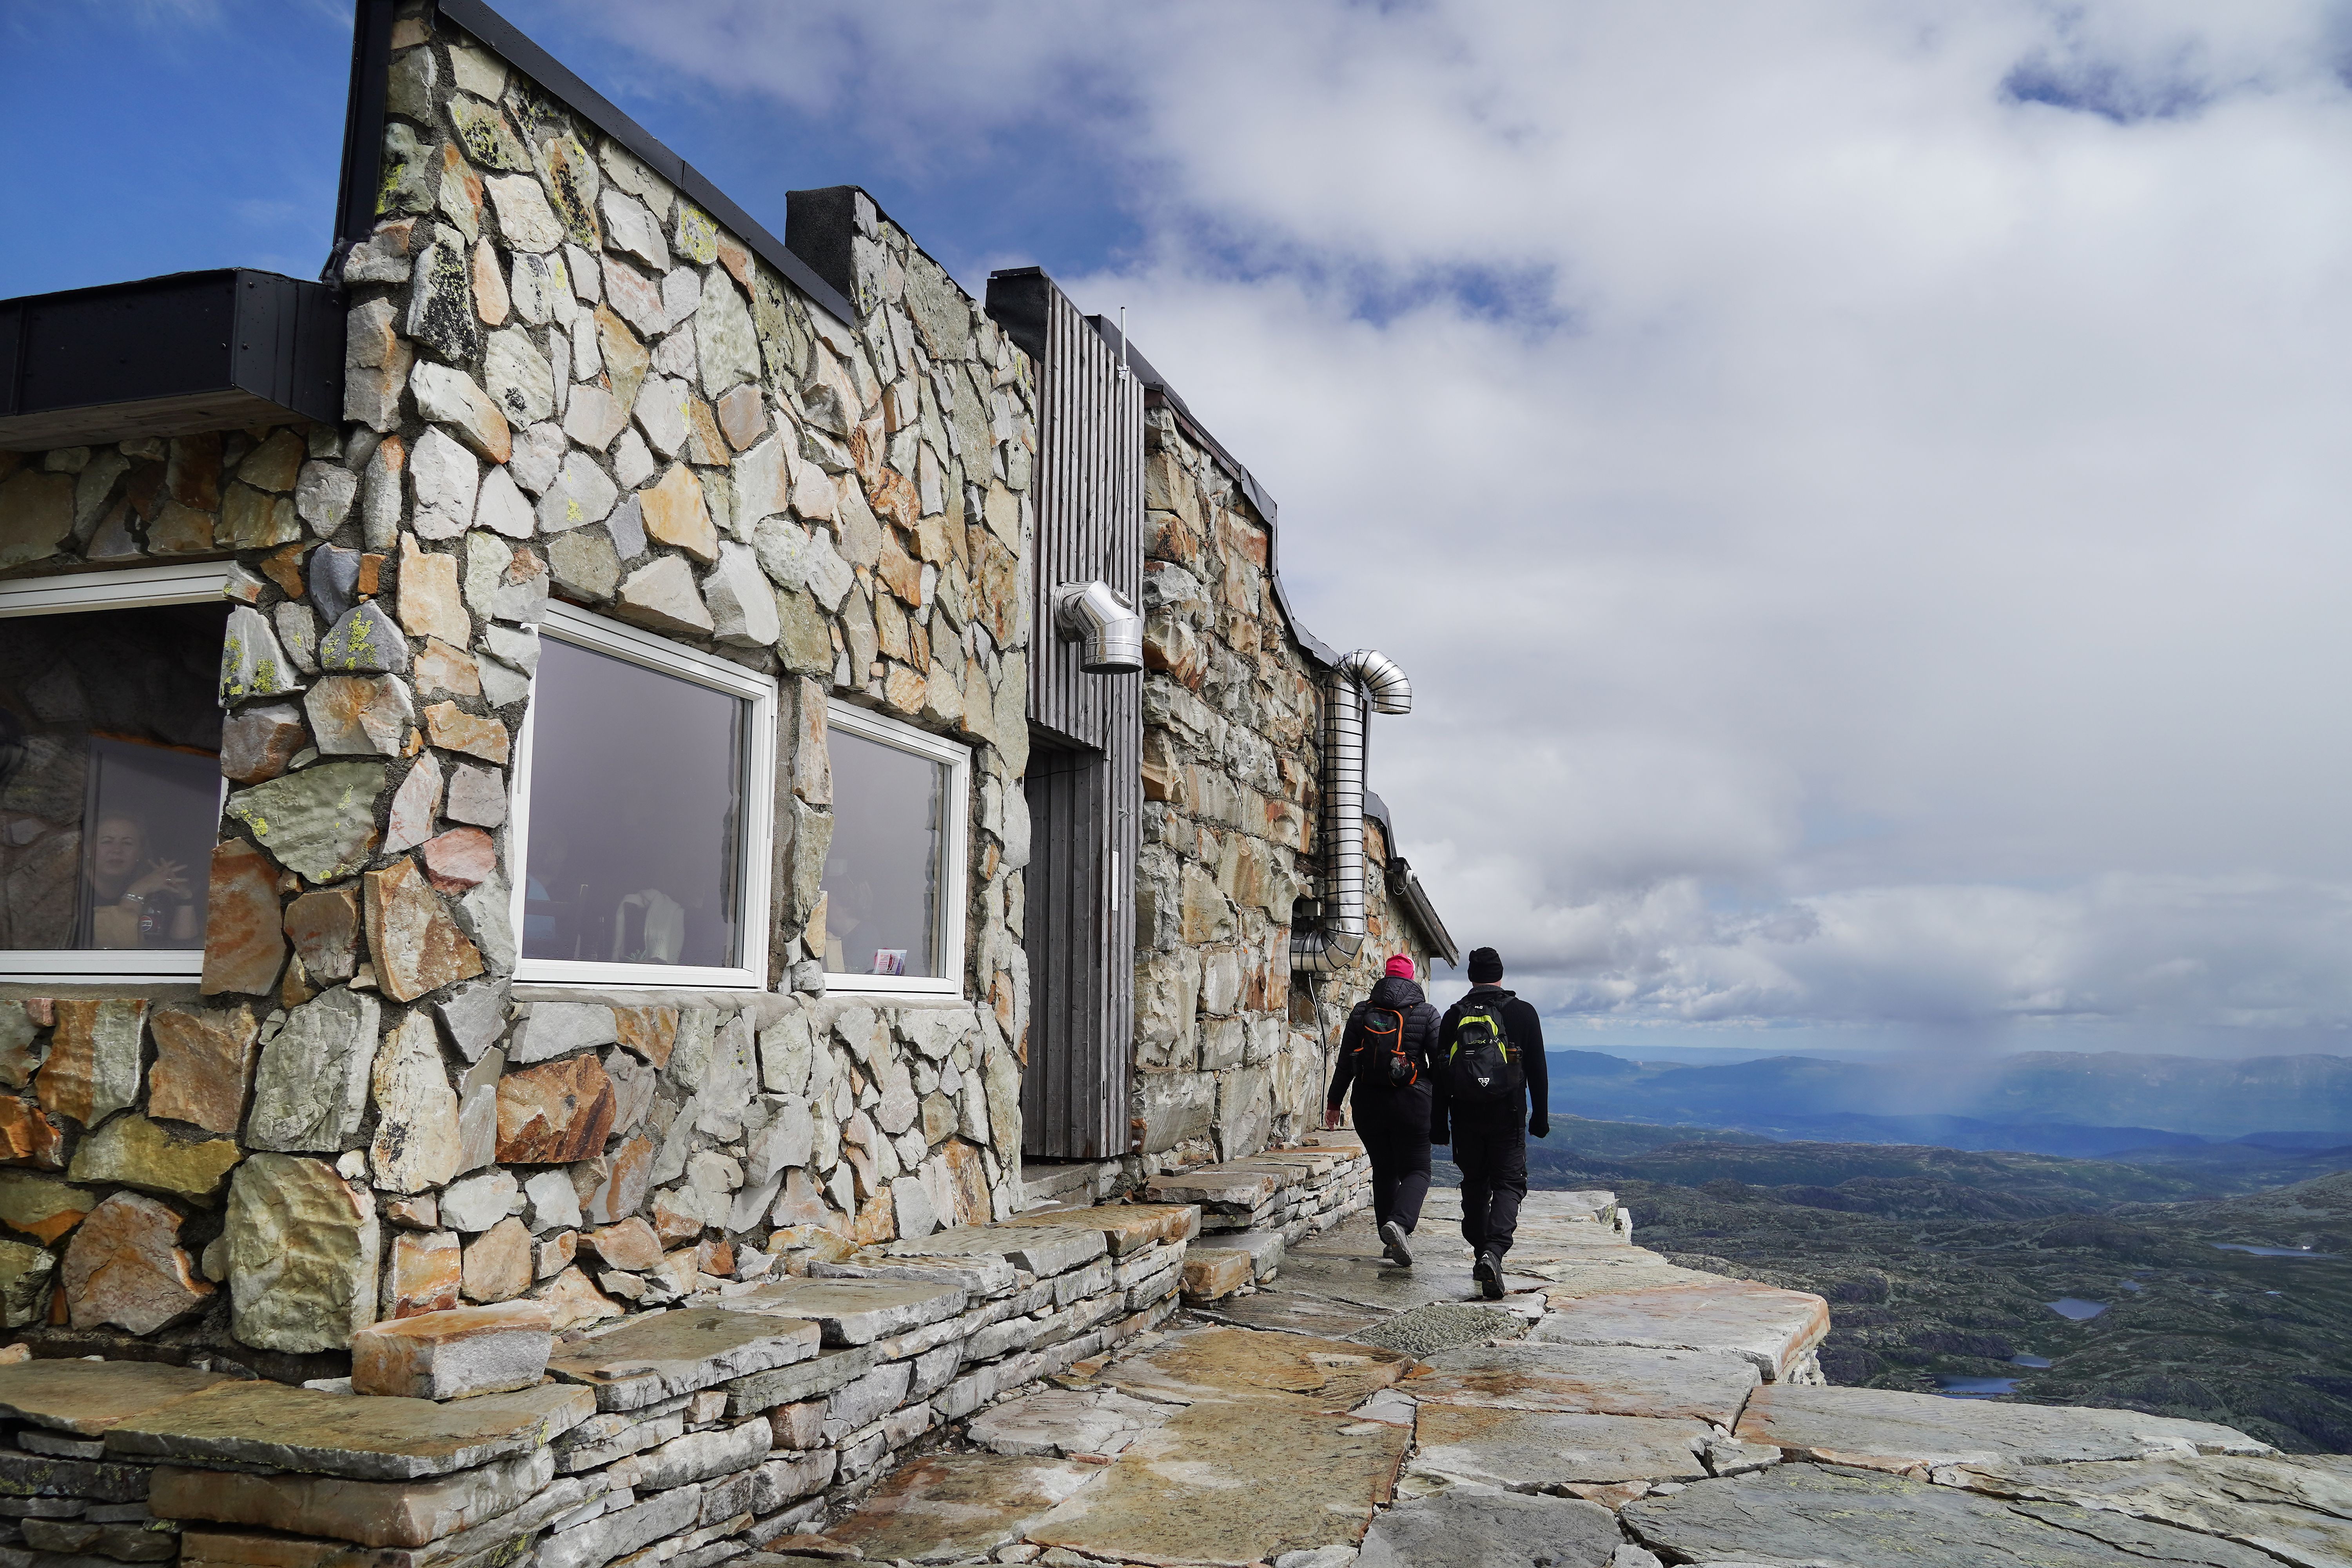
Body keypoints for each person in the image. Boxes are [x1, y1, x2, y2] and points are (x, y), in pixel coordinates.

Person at [1431, 946, 1550, 1299]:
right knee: (1510, 1183)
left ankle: (1482, 1250)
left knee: (1475, 1182)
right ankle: (1493, 1253)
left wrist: (1439, 1125)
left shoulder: (1454, 1016)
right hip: (1508, 1115)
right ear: (1500, 975)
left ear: (1471, 977)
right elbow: (1538, 1071)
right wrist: (1540, 1118)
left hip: (1465, 1116)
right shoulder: (1523, 1014)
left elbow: (1441, 1074)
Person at [1324, 954, 1440, 1268]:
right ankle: (1400, 1225)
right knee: (1418, 1170)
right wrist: (1442, 1104)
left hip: (1368, 1104)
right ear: (1412, 979)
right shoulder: (1427, 1013)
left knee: (1385, 1169)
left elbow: (1346, 1062)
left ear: (1386, 977)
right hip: (1412, 1104)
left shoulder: (1362, 1011)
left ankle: (1389, 1242)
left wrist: (1334, 1104)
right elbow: (1440, 1063)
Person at [76, 813, 194, 949]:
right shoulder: (72, 890)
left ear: (140, 853)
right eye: (107, 841)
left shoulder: (154, 891)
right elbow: (115, 950)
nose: (117, 850)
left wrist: (184, 898)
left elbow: (184, 950)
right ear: (88, 849)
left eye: (127, 843)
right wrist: (137, 891)